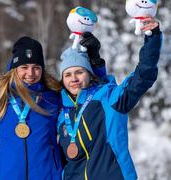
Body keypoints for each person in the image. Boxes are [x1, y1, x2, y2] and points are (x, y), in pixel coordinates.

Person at [57, 17, 162, 180]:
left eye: (80, 72)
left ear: (89, 74)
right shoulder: (60, 112)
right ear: (62, 79)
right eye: (68, 74)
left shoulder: (109, 99)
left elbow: (144, 76)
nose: (74, 79)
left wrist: (152, 38)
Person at [0, 36, 63, 180]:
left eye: (36, 67)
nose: (30, 73)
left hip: (47, 175)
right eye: (24, 67)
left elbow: (87, 91)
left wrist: (97, 65)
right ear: (14, 69)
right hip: (6, 176)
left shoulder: (53, 97)